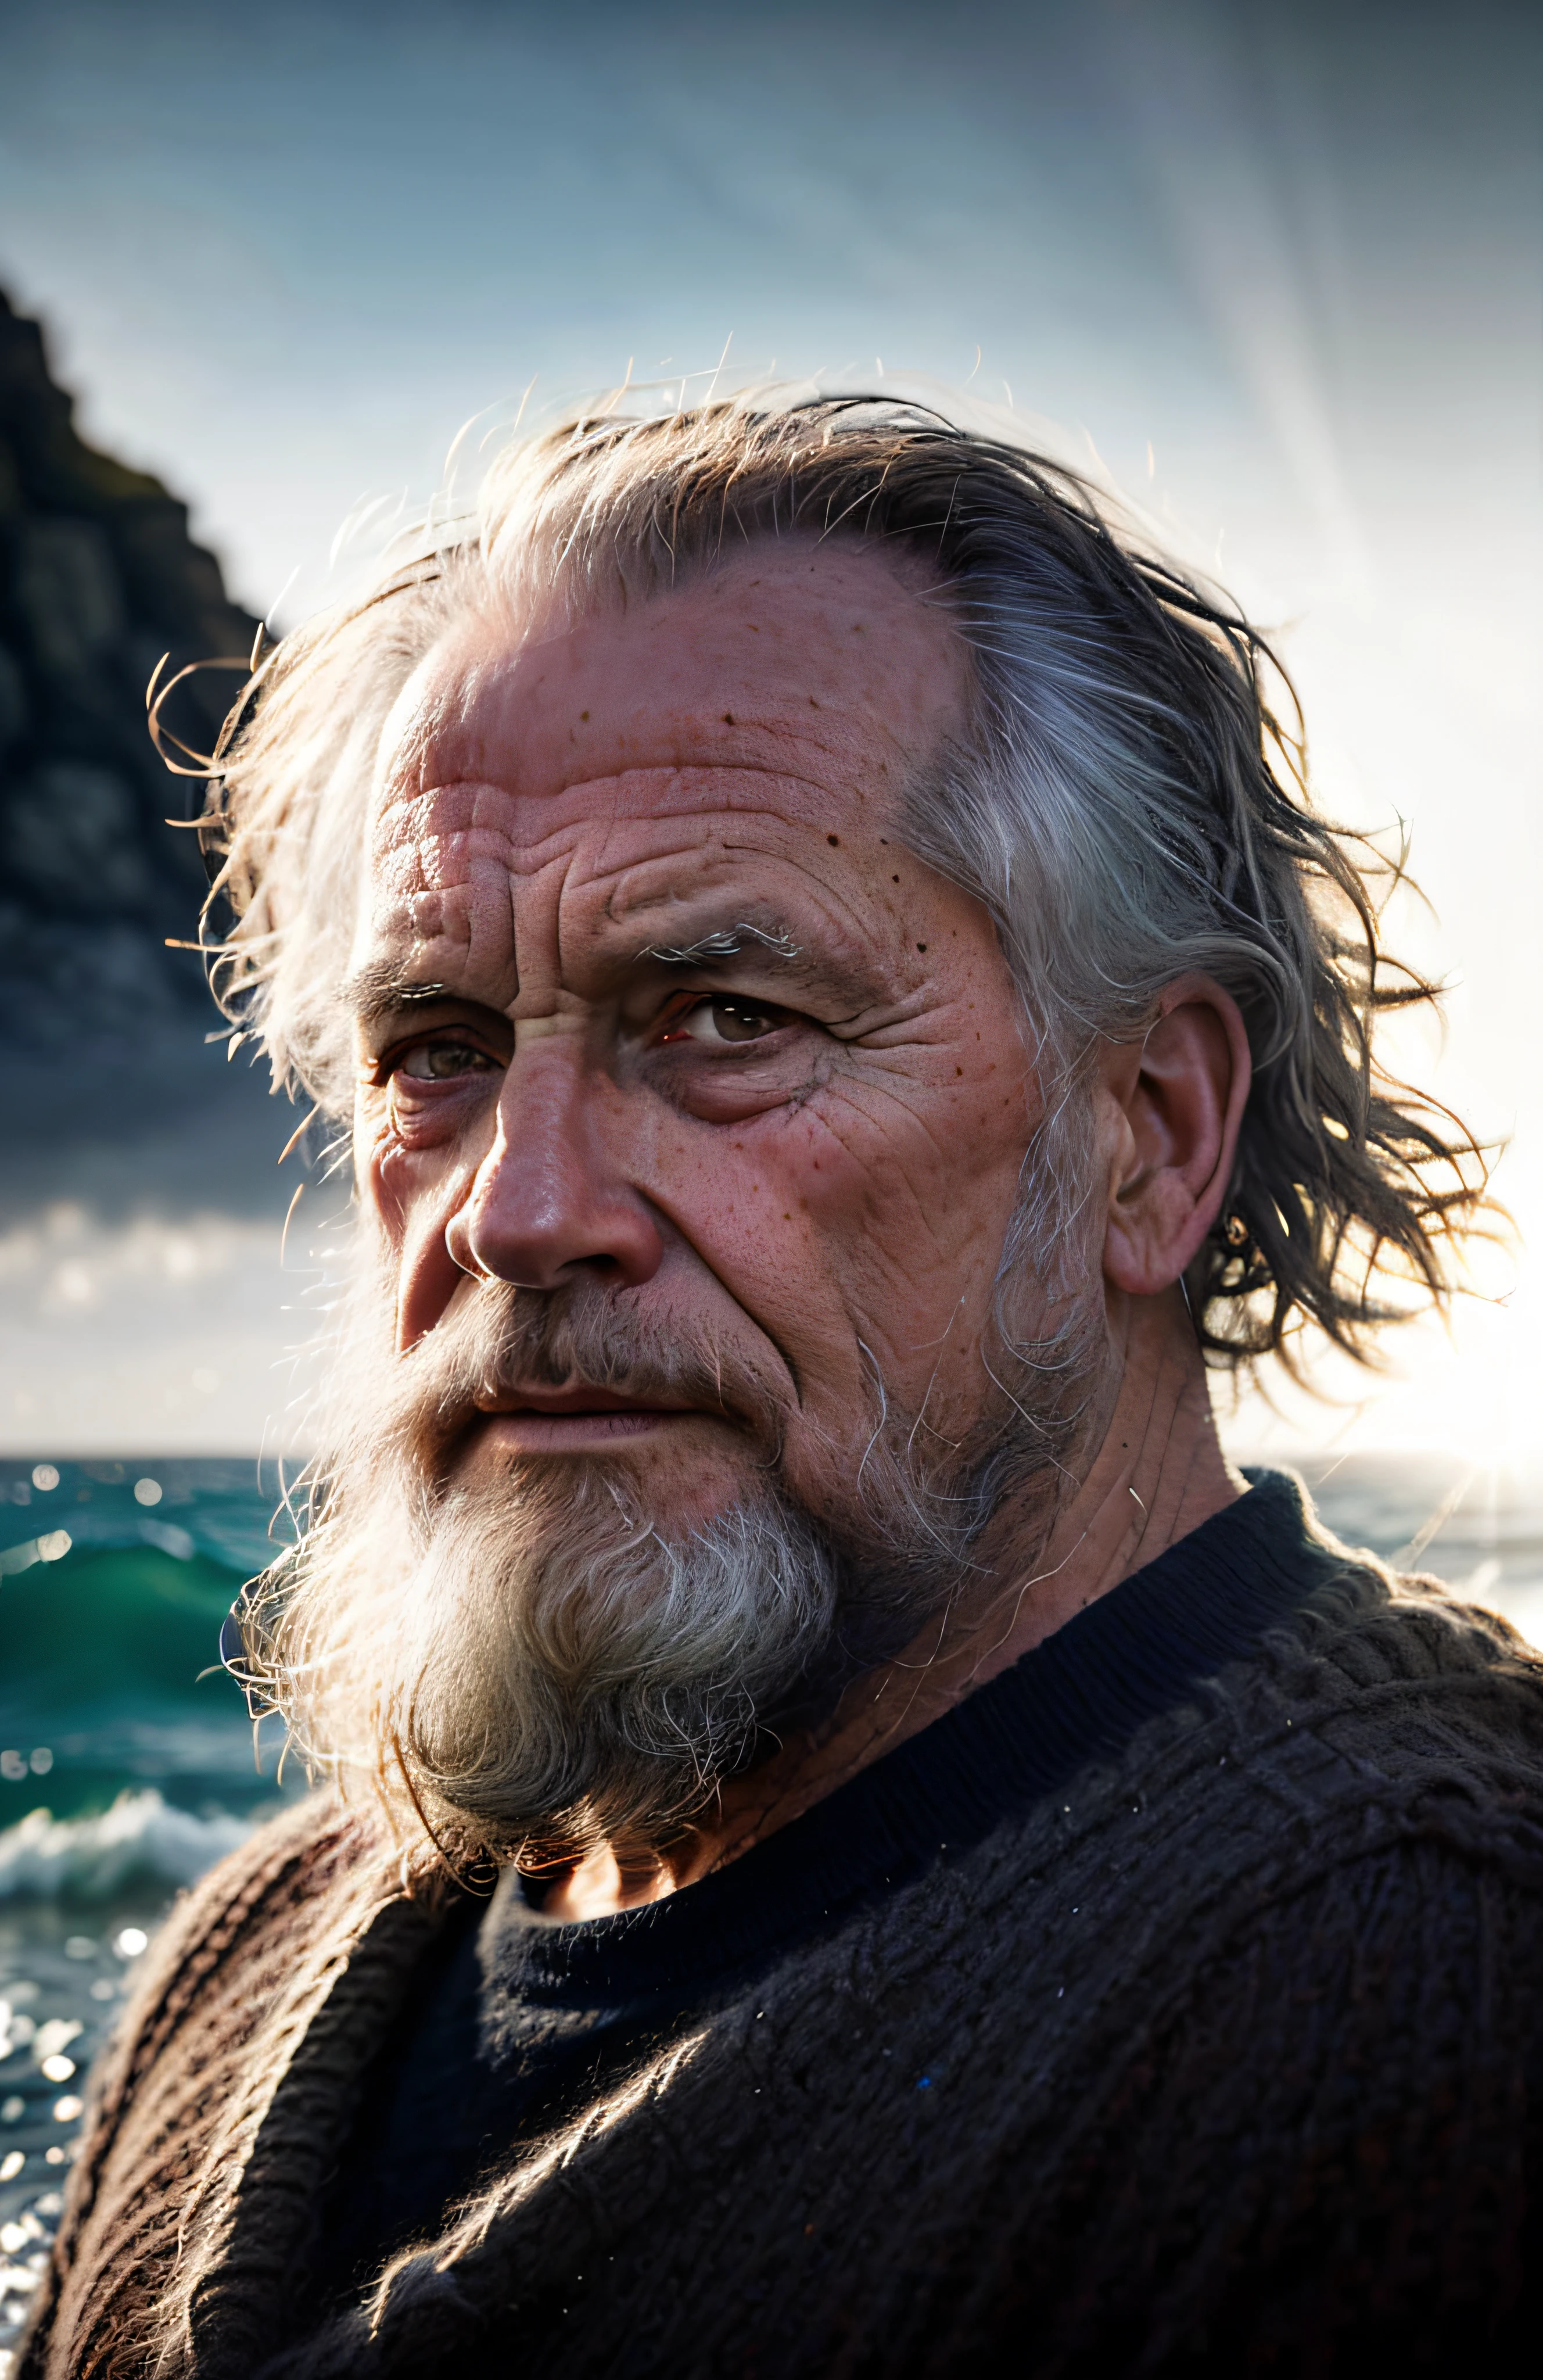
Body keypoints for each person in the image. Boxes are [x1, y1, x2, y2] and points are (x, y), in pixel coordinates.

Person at [23, 397, 1541, 2379]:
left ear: (1152, 1135)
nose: (522, 1210)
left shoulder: (1446, 1997)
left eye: (728, 1019)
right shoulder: (248, 1958)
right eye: (439, 1049)